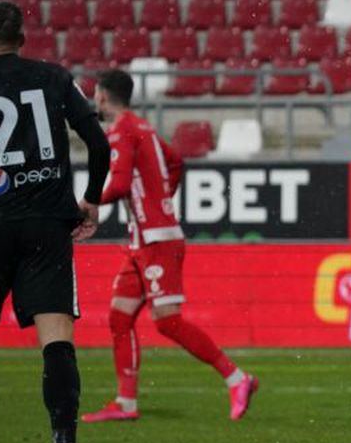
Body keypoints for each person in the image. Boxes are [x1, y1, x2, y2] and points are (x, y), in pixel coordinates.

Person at [0, 0, 111, 443]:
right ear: (23, 37)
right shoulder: (54, 78)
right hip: (48, 223)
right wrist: (91, 199)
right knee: (57, 339)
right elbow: (99, 143)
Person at [82, 70, 257, 423]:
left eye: (95, 95)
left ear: (101, 96)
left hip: (157, 242)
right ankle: (126, 403)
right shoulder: (141, 126)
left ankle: (237, 378)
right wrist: (158, 201)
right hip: (144, 239)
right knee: (119, 317)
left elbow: (117, 184)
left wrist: (88, 205)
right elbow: (176, 161)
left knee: (167, 322)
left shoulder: (121, 130)